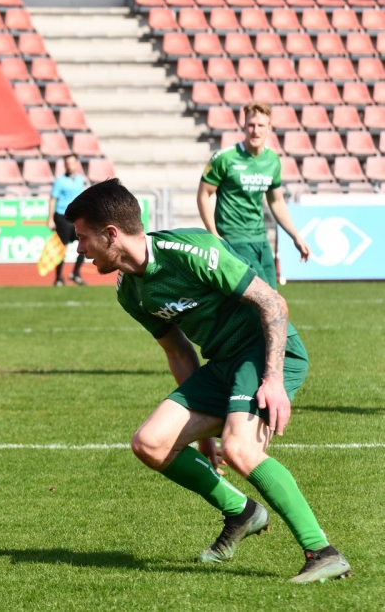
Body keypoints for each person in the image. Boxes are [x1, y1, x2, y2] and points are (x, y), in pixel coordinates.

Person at [64, 178, 351, 584]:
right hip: (224, 365)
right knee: (151, 443)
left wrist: (271, 380)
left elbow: (272, 302)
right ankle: (243, 512)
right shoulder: (130, 291)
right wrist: (199, 435)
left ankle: (323, 552)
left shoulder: (192, 251)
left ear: (111, 234)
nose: (79, 249)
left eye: (83, 238)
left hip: (265, 350)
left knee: (239, 447)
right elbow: (179, 352)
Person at [197, 101, 310, 288]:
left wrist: (296, 236)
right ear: (244, 126)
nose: (255, 130)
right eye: (251, 125)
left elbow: (276, 202)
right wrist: (214, 234)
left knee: (271, 296)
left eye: (260, 126)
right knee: (264, 296)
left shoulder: (272, 161)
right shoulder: (225, 158)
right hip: (233, 237)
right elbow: (203, 195)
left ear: (269, 128)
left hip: (260, 238)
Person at [47, 153, 88, 287]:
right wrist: (50, 219)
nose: (70, 165)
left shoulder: (81, 180)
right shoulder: (60, 181)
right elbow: (53, 199)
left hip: (76, 218)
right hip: (62, 217)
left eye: (72, 162)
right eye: (67, 163)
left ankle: (75, 274)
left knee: (86, 245)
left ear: (77, 164)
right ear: (65, 165)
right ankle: (58, 278)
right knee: (62, 248)